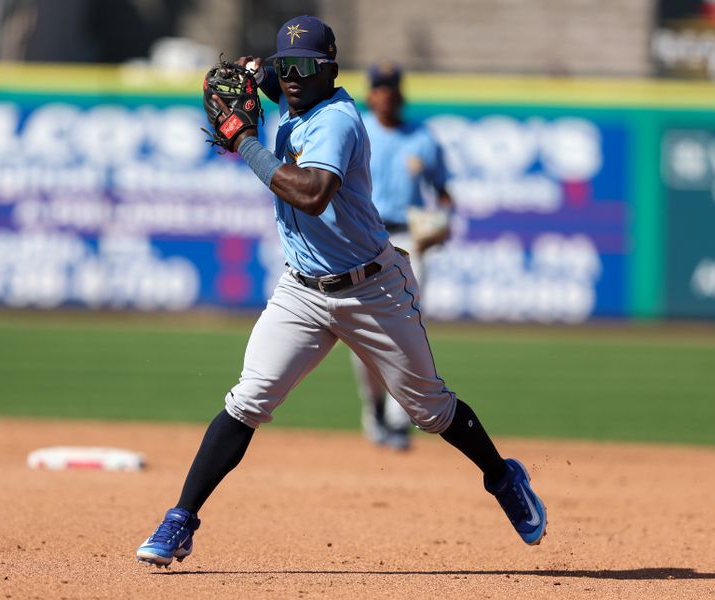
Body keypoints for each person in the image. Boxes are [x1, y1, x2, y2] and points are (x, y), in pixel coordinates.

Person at [136, 15, 547, 569]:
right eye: (288, 66)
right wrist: (258, 72)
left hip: (372, 289)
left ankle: (502, 477)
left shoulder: (337, 122)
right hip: (302, 290)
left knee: (428, 408)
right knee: (249, 399)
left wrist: (245, 139)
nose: (296, 77)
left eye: (308, 66)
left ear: (331, 68)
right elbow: (264, 80)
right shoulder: (293, 92)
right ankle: (180, 519)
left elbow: (311, 194)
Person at [352, 62, 454, 451]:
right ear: (371, 92)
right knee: (361, 329)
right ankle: (374, 406)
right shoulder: (356, 129)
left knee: (406, 325)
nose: (386, 94)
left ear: (400, 92)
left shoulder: (422, 138)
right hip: (362, 236)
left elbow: (443, 192)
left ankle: (398, 416)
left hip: (409, 235)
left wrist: (441, 222)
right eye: (380, 86)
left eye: (391, 87)